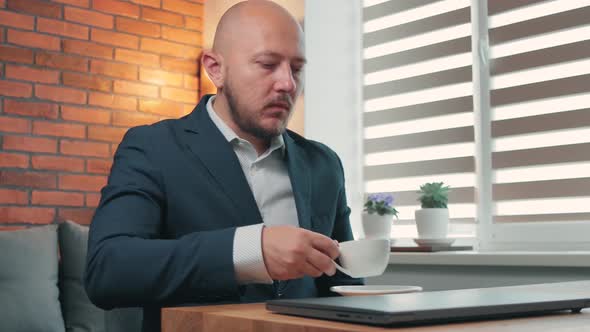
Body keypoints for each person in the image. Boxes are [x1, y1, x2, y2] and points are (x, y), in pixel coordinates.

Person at [84, 1, 362, 331]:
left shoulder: (324, 164)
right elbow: (107, 270)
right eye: (267, 64)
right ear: (215, 68)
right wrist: (249, 251)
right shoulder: (152, 147)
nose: (288, 84)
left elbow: (342, 285)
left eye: (297, 69)